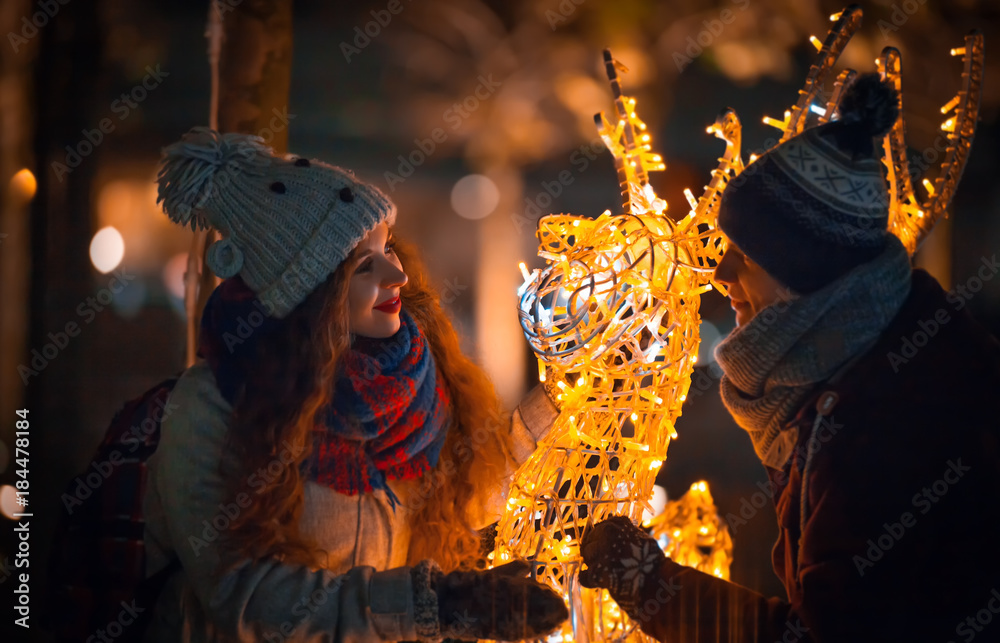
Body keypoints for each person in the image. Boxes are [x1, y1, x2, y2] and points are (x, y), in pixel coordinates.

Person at [577, 74, 1000, 642]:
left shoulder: (887, 423)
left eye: (746, 256)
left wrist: (650, 585)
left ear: (807, 277)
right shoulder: (874, 357)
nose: (721, 276)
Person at [143, 127, 568, 642]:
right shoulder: (212, 407)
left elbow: (466, 494)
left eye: (389, 249)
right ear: (310, 292)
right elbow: (247, 598)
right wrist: (435, 605)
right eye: (365, 265)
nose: (399, 275)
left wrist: (563, 397)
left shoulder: (410, 382)